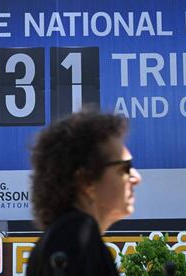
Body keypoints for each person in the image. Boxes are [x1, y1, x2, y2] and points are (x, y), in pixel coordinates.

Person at [26, 110, 142, 276]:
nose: (136, 178)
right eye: (125, 168)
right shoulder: (76, 233)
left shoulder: (66, 234)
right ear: (87, 180)